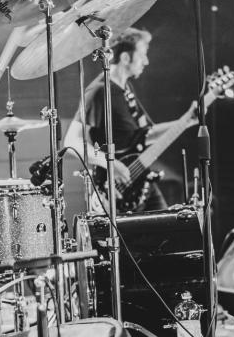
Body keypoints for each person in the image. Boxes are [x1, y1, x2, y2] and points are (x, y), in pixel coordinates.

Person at [74, 27, 193, 213]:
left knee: (170, 227)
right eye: (142, 55)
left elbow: (146, 135)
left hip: (139, 179)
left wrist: (187, 120)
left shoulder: (125, 89)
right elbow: (72, 141)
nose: (146, 61)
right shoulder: (99, 91)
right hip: (113, 188)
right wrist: (109, 163)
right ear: (125, 58)